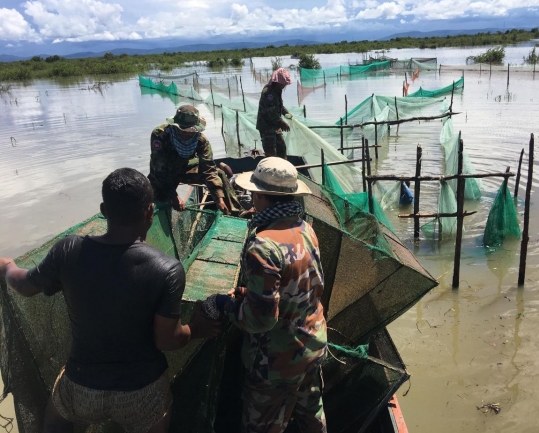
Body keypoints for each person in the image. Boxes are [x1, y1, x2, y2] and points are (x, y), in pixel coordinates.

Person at [0, 168, 221, 433]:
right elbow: (167, 340)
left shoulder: (67, 250)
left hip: (82, 387)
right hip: (142, 392)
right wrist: (195, 328)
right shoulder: (168, 269)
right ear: (150, 211)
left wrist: (7, 267)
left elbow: (24, 286)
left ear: (104, 210)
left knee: (55, 420)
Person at [204, 157, 327, 433]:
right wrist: (251, 293)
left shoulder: (263, 245)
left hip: (276, 362)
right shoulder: (306, 229)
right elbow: (300, 286)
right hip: (313, 345)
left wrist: (224, 304)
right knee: (311, 418)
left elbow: (260, 321)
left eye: (253, 194)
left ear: (259, 196)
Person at [148, 104, 241, 214]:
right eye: (183, 130)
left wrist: (219, 198)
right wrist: (173, 196)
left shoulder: (200, 140)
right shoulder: (160, 134)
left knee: (219, 174)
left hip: (186, 169)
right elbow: (159, 170)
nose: (188, 133)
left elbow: (209, 169)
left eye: (191, 130)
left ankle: (234, 211)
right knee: (160, 199)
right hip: (164, 173)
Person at [256, 68, 293, 159]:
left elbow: (279, 106)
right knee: (271, 153)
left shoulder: (277, 90)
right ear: (277, 82)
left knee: (282, 149)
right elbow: (271, 111)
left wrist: (286, 113)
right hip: (266, 127)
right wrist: (282, 123)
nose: (285, 85)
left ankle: (283, 166)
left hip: (276, 126)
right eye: (283, 83)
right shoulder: (268, 92)